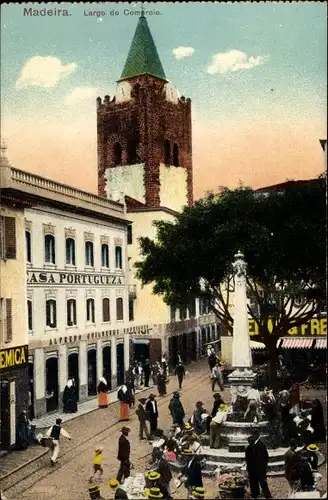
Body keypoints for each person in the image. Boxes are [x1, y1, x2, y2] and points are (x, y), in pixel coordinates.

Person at [245, 429, 272, 499]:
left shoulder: (260, 445)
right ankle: (255, 494)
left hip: (259, 468)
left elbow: (264, 457)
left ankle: (267, 495)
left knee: (263, 483)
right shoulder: (250, 447)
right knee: (254, 483)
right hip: (253, 469)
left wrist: (264, 467)